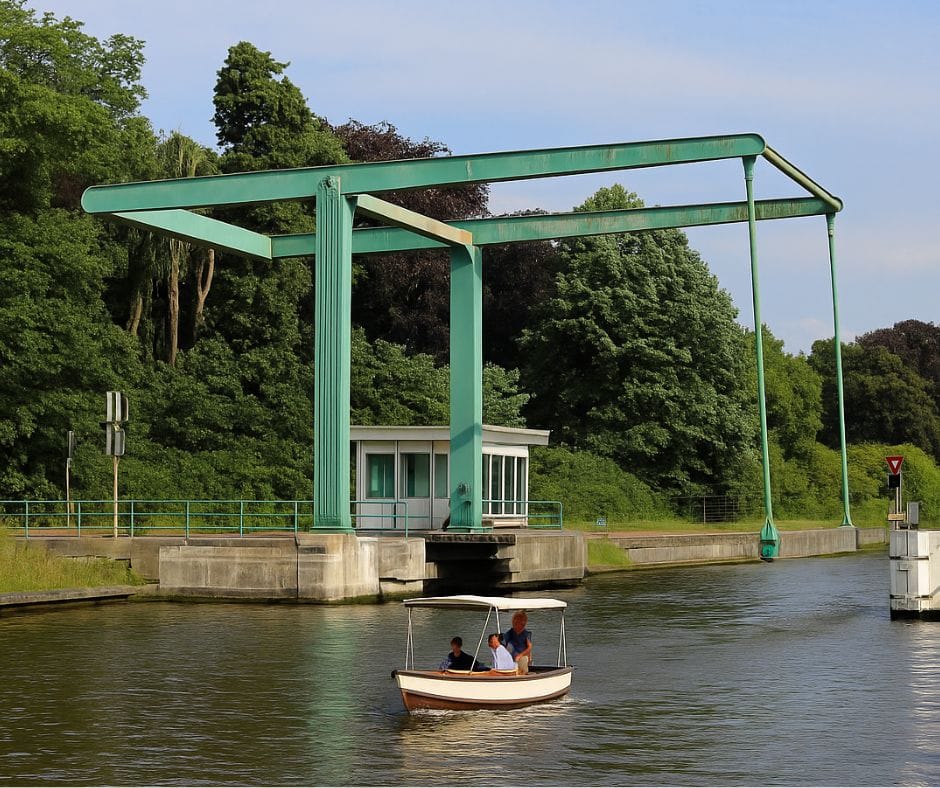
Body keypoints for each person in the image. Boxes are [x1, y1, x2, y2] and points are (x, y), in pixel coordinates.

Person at [503, 609, 532, 675]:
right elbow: (503, 643)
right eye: (515, 620)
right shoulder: (510, 632)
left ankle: (523, 675)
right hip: (511, 657)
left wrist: (520, 655)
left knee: (523, 660)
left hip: (522, 656)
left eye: (519, 620)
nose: (516, 622)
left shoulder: (527, 634)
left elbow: (529, 647)